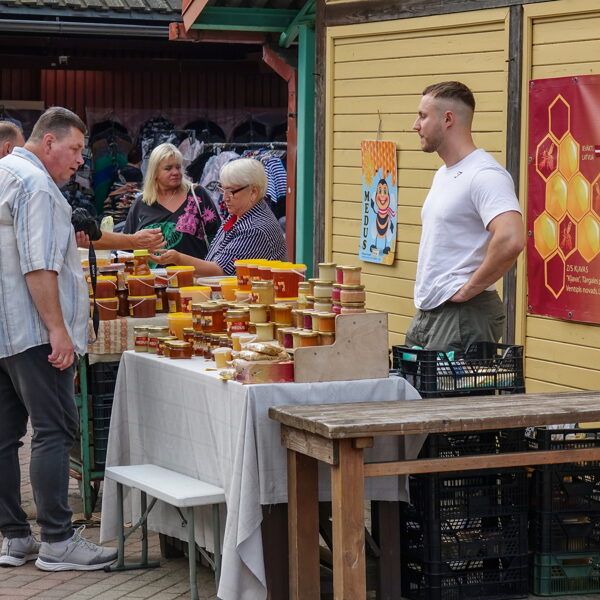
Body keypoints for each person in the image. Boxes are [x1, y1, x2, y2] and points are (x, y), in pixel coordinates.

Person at [0, 107, 117, 571]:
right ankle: (57, 540)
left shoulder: (5, 171)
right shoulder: (36, 186)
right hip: (32, 330)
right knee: (54, 429)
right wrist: (57, 330)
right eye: (75, 149)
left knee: (5, 437)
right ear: (48, 142)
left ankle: (15, 537)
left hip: (5, 329)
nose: (80, 160)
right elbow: (39, 265)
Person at [405, 81, 525, 353]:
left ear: (448, 119)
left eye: (423, 116)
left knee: (442, 386)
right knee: (407, 380)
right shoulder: (444, 173)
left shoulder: (484, 174)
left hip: (462, 313)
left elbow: (511, 238)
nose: (415, 125)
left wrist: (469, 289)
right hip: (430, 311)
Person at [149, 157, 288, 275]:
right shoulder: (240, 214)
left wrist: (177, 258)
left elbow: (220, 272)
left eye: (231, 191)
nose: (224, 198)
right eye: (223, 190)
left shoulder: (255, 228)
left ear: (253, 192)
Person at [122, 143, 219, 262]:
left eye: (178, 167)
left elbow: (217, 237)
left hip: (194, 273)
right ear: (155, 172)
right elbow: (127, 247)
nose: (175, 172)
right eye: (168, 168)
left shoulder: (196, 195)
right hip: (150, 273)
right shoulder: (141, 203)